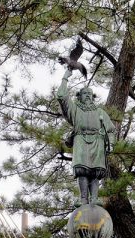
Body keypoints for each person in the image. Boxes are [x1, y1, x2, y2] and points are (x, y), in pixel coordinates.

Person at [57, 69, 115, 207]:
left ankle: (94, 198)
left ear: (93, 97)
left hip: (98, 141)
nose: (88, 96)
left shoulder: (100, 112)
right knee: (82, 170)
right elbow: (61, 96)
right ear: (79, 97)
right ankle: (83, 198)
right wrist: (65, 77)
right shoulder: (75, 110)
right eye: (85, 94)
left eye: (90, 94)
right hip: (80, 140)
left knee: (95, 171)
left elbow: (111, 130)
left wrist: (111, 143)